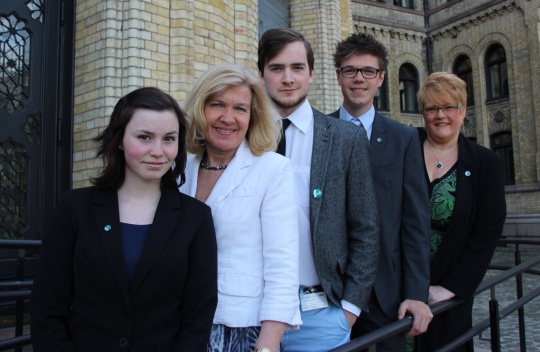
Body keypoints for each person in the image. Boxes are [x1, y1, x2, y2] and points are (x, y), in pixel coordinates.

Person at [30, 87, 218, 352]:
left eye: (168, 139)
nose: (157, 151)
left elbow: (198, 315)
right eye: (144, 137)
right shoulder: (74, 208)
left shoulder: (195, 218)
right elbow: (47, 307)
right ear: (119, 139)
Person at [258, 28, 380, 352]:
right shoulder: (242, 139)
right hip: (252, 311)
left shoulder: (345, 139)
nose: (288, 78)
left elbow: (366, 228)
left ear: (311, 74)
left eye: (297, 68)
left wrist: (349, 310)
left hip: (320, 316)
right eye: (276, 68)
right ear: (261, 74)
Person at [179, 64, 301, 352]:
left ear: (252, 116)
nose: (227, 118)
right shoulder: (180, 168)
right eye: (217, 105)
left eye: (240, 109)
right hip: (180, 321)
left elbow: (282, 264)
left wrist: (268, 344)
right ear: (200, 109)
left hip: (241, 328)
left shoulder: (273, 169)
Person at [329, 32, 433, 351]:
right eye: (350, 70)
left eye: (368, 71)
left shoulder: (404, 139)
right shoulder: (320, 133)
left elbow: (416, 222)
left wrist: (416, 292)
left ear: (381, 78)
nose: (359, 79)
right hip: (330, 291)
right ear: (338, 76)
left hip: (386, 293)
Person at [412, 72, 506, 351]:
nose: (441, 115)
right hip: (401, 281)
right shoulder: (405, 147)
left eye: (449, 107)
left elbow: (486, 233)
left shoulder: (483, 163)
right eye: (432, 108)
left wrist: (452, 288)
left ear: (462, 110)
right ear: (423, 113)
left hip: (446, 287)